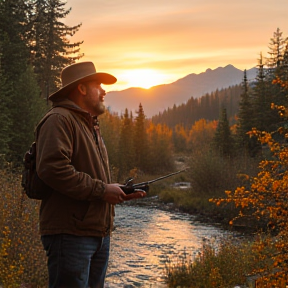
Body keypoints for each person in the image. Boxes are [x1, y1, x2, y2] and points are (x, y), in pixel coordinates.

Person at [36, 61, 146, 288]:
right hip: (70, 234)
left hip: (96, 233)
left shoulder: (88, 125)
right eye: (98, 85)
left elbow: (88, 176)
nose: (104, 91)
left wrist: (115, 191)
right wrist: (103, 190)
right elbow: (52, 169)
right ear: (82, 89)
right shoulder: (59, 119)